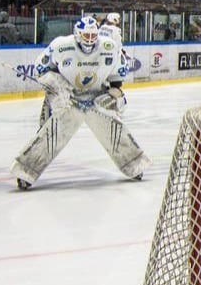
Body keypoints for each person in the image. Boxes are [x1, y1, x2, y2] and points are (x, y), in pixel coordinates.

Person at [11, 16, 147, 188]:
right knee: (52, 131)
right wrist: (57, 85)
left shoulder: (109, 47)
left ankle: (134, 164)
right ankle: (26, 171)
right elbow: (42, 70)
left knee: (113, 127)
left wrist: (114, 93)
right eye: (86, 35)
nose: (90, 40)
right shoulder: (61, 45)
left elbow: (117, 77)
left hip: (96, 96)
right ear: (77, 34)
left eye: (93, 36)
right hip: (67, 96)